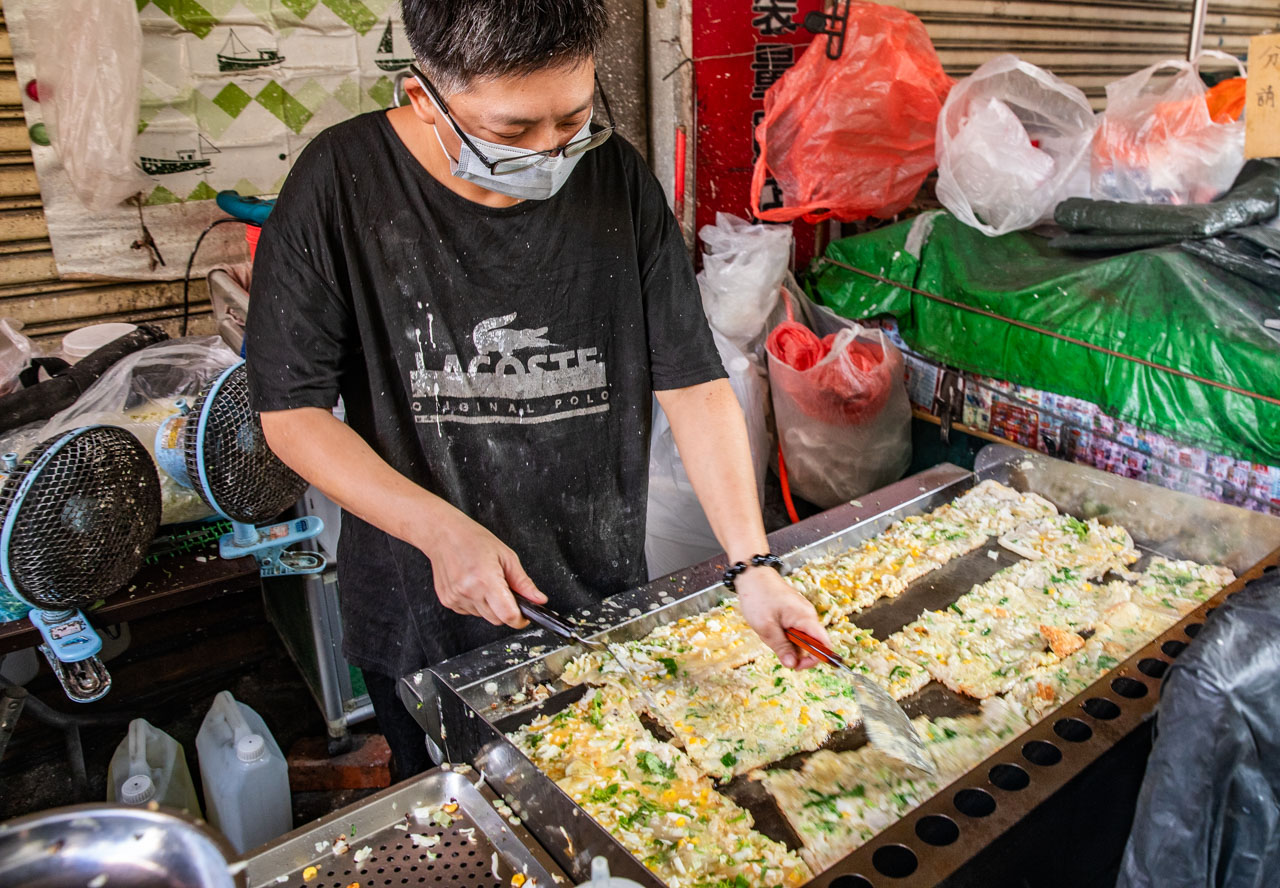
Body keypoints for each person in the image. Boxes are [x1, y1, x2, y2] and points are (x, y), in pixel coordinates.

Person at [245, 0, 830, 782]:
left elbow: (692, 382)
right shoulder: (339, 183)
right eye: (513, 130)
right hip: (421, 609)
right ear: (424, 96)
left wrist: (751, 565)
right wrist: (439, 532)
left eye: (572, 120)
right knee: (461, 813)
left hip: (597, 595)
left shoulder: (615, 177)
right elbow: (292, 412)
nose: (551, 152)